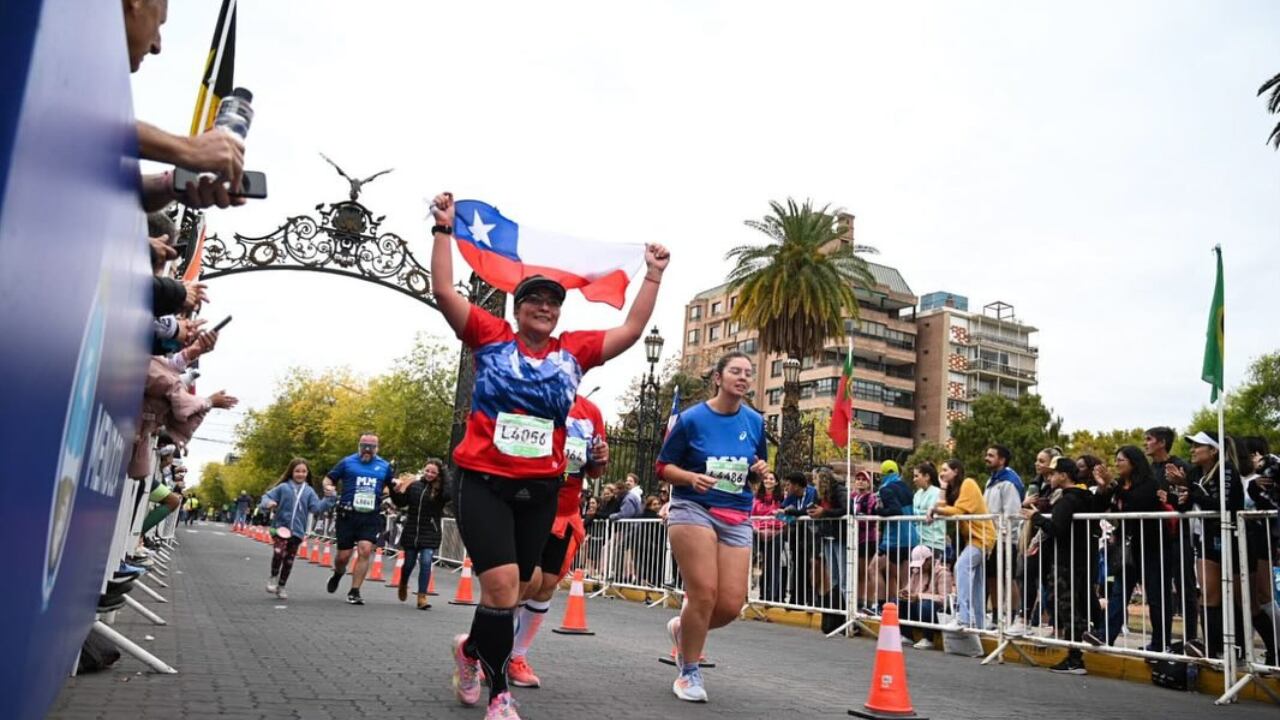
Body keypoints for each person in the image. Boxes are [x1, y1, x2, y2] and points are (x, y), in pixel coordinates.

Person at [429, 191, 667, 718]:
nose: (544, 306)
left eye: (553, 302)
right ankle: (499, 696)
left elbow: (630, 330)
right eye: (535, 299)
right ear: (518, 309)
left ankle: (470, 652)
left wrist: (652, 275)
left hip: (541, 488)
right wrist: (443, 231)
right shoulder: (490, 338)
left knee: (518, 589)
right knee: (499, 584)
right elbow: (444, 289)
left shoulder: (573, 352)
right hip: (483, 479)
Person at [657, 351, 768, 703]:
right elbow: (663, 467)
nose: (743, 377)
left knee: (730, 605)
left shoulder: (755, 422)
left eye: (748, 373)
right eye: (735, 371)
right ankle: (688, 672)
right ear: (718, 378)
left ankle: (683, 626)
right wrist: (691, 477)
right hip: (694, 507)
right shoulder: (691, 420)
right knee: (703, 593)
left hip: (736, 513)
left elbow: (755, 466)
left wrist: (762, 472)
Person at [508, 393, 609, 689]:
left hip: (566, 511)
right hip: (529, 505)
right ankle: (484, 649)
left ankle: (516, 656)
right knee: (526, 581)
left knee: (547, 585)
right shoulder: (531, 399)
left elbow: (595, 469)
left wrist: (601, 459)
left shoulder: (590, 411)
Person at [1090, 445, 1170, 652]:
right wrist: (1103, 488)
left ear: (1134, 462)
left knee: (1155, 596)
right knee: (1118, 592)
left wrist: (1113, 485)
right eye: (1116, 460)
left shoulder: (1148, 483)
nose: (1116, 464)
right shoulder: (1118, 486)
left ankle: (1160, 643)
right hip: (1126, 547)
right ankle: (1104, 636)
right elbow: (1101, 507)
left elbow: (1137, 503)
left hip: (1151, 546)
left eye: (1121, 460)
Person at [1024, 456, 1093, 674]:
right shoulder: (1083, 497)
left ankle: (1075, 658)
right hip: (1079, 558)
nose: (1049, 477)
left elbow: (1057, 528)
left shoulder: (1068, 500)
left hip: (1067, 560)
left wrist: (1036, 517)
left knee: (1067, 605)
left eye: (1053, 473)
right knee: (1072, 604)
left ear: (1064, 475)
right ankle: (1076, 652)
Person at [324, 434, 394, 605]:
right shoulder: (347, 462)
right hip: (347, 514)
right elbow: (329, 478)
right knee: (343, 556)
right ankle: (338, 573)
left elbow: (390, 485)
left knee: (365, 550)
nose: (367, 451)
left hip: (370, 515)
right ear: (359, 446)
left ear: (377, 448)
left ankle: (355, 591)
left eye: (371, 448)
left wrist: (387, 492)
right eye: (364, 447)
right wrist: (328, 487)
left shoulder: (384, 466)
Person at [927, 459, 996, 630]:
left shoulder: (969, 483)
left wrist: (934, 510)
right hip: (973, 539)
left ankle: (963, 616)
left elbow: (958, 511)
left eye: (945, 470)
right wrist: (942, 488)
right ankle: (979, 626)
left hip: (982, 538)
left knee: (961, 567)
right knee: (977, 584)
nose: (941, 473)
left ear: (956, 471)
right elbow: (944, 507)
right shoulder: (953, 489)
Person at [261, 459, 337, 599]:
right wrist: (268, 503)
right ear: (291, 472)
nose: (300, 474)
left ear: (307, 474)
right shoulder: (283, 487)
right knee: (279, 552)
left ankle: (282, 585)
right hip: (280, 528)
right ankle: (273, 576)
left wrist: (330, 498)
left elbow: (317, 508)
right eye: (297, 471)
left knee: (289, 560)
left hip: (297, 531)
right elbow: (266, 497)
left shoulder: (309, 491)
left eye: (303, 471)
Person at [389, 460, 450, 610]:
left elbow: (449, 494)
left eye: (433, 472)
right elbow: (401, 503)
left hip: (430, 531)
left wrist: (445, 478)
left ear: (438, 475)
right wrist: (394, 490)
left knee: (426, 561)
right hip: (411, 530)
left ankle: (422, 596)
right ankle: (403, 583)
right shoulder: (414, 486)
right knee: (408, 563)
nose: (429, 474)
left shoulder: (441, 490)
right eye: (427, 471)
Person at [983, 445, 1025, 631]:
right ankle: (995, 614)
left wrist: (1005, 534)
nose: (987, 458)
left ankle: (1013, 615)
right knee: (992, 577)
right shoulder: (991, 481)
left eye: (991, 455)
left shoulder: (1009, 481)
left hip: (1006, 538)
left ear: (1002, 460)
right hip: (991, 538)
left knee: (1009, 577)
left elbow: (1012, 511)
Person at [870, 460, 917, 613]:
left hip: (894, 539)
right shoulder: (906, 487)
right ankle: (905, 612)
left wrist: (879, 512)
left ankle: (881, 606)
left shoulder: (885, 489)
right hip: (910, 537)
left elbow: (895, 510)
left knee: (873, 568)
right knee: (904, 579)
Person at [750, 471, 786, 603]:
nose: (768, 481)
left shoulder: (782, 498)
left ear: (776, 482)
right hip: (759, 534)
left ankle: (773, 595)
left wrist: (777, 526)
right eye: (766, 478)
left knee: (773, 564)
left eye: (771, 478)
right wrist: (757, 529)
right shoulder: (757, 498)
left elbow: (787, 517)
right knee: (762, 564)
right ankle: (763, 594)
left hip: (776, 534)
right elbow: (751, 515)